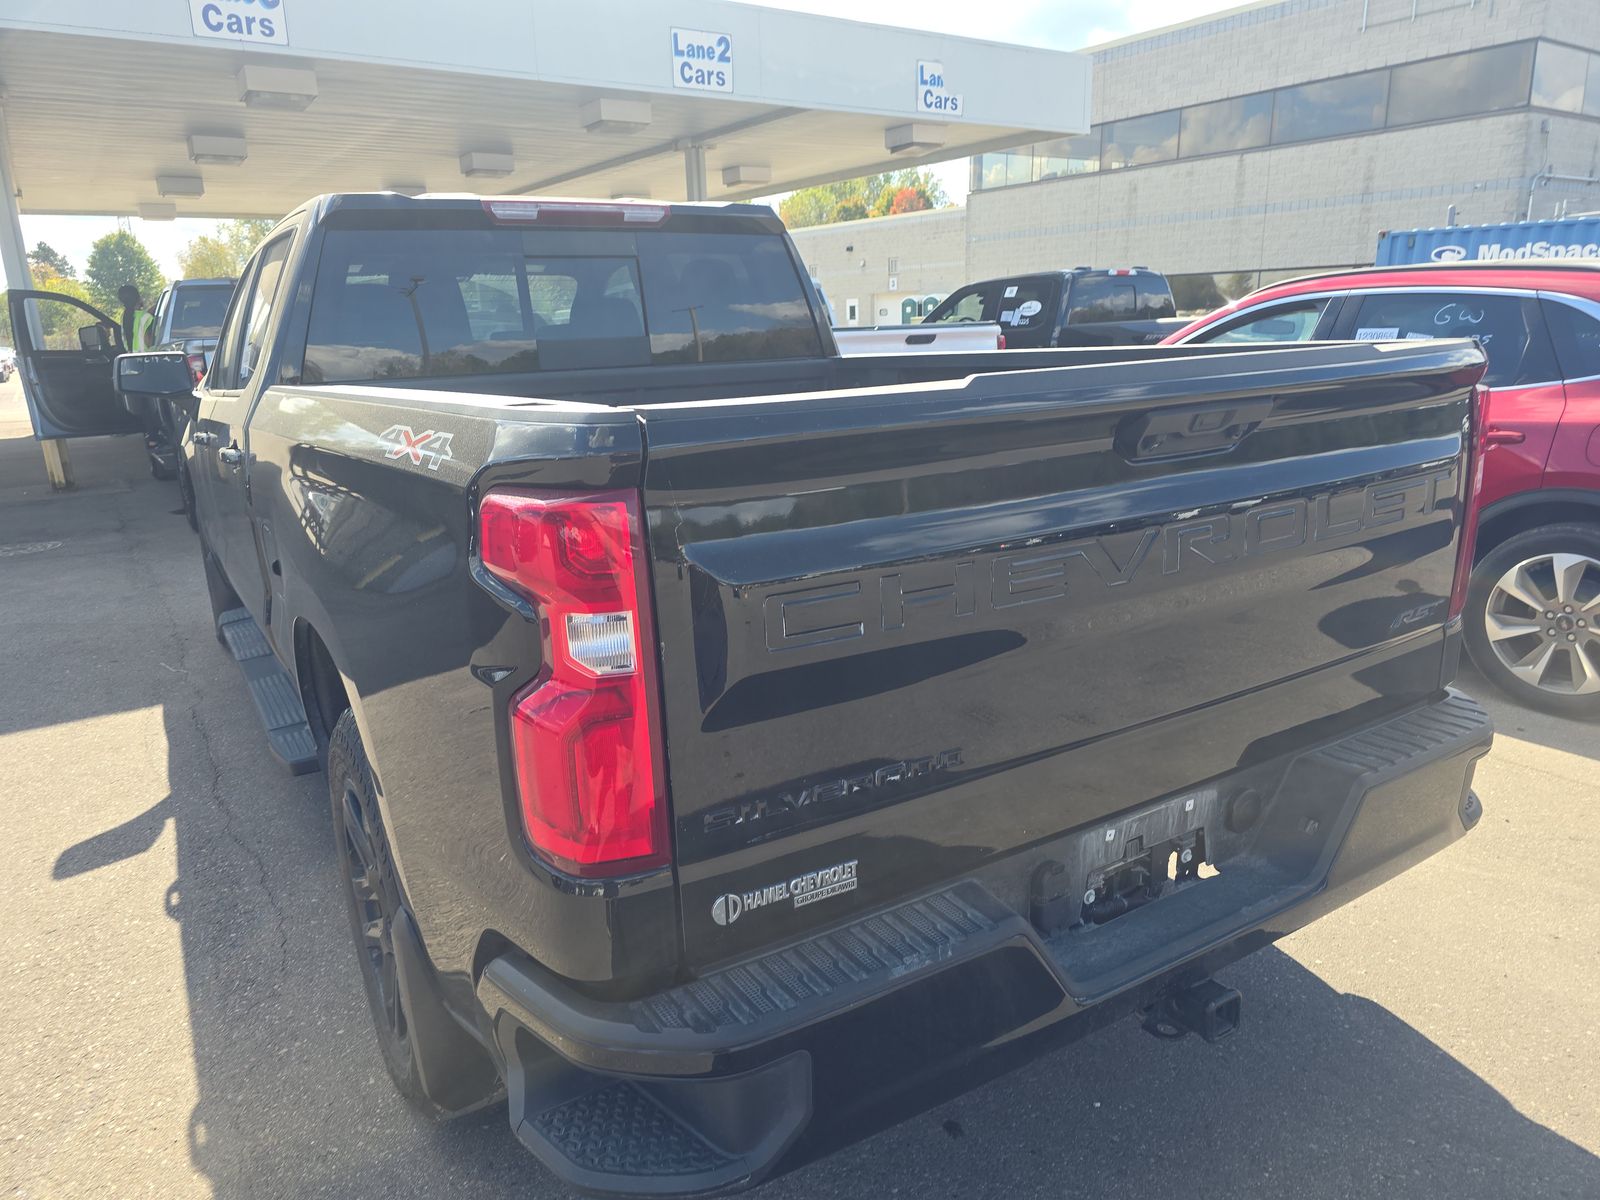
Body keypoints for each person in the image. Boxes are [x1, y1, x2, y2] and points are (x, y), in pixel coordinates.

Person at [117, 284, 155, 353]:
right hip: (146, 359)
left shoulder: (124, 316)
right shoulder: (146, 317)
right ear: (138, 298)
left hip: (131, 359)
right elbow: (148, 341)